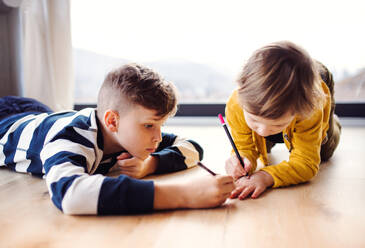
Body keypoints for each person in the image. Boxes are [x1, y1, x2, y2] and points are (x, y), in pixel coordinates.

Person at [0, 63, 235, 215]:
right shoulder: (71, 139)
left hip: (35, 111)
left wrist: (150, 164)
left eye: (161, 125)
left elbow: (192, 147)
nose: (158, 136)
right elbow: (70, 194)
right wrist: (186, 194)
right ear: (112, 121)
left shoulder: (130, 134)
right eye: (149, 126)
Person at [224, 41, 341, 200]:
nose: (263, 131)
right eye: (253, 120)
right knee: (263, 142)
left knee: (324, 151)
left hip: (319, 83)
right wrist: (241, 159)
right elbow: (244, 145)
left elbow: (306, 163)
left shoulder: (310, 109)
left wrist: (266, 177)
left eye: (277, 124)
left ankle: (333, 123)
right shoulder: (237, 104)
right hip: (286, 106)